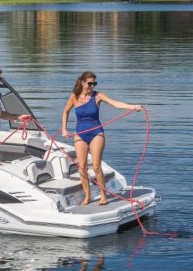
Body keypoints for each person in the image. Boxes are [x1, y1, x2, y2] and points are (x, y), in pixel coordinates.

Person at [61, 71, 143, 205]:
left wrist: (133, 107)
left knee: (96, 166)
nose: (92, 86)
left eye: (94, 83)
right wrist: (64, 129)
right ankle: (87, 196)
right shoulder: (74, 97)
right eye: (90, 83)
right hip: (80, 133)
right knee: (81, 167)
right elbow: (66, 111)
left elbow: (115, 104)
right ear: (82, 82)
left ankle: (103, 194)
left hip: (96, 133)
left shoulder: (98, 96)